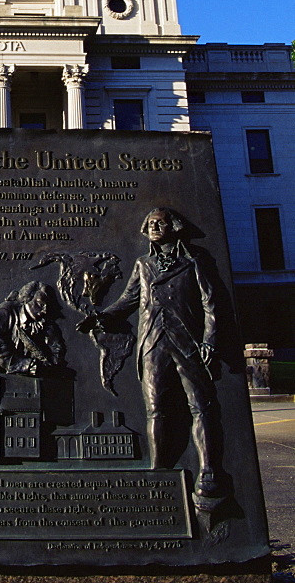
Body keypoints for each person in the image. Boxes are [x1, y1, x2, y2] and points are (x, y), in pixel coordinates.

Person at [92, 207, 221, 498]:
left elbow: (210, 303)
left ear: (174, 227)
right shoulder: (143, 265)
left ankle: (209, 470)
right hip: (152, 343)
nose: (153, 226)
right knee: (155, 407)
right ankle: (159, 470)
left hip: (186, 342)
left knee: (200, 405)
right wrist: (100, 317)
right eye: (149, 222)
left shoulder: (194, 261)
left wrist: (209, 341)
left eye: (159, 223)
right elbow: (127, 300)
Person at [0, 281, 65, 376]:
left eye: (47, 305)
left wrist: (47, 367)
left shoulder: (45, 320)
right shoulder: (4, 313)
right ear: (27, 299)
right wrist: (27, 365)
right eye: (40, 304)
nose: (45, 310)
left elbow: (57, 349)